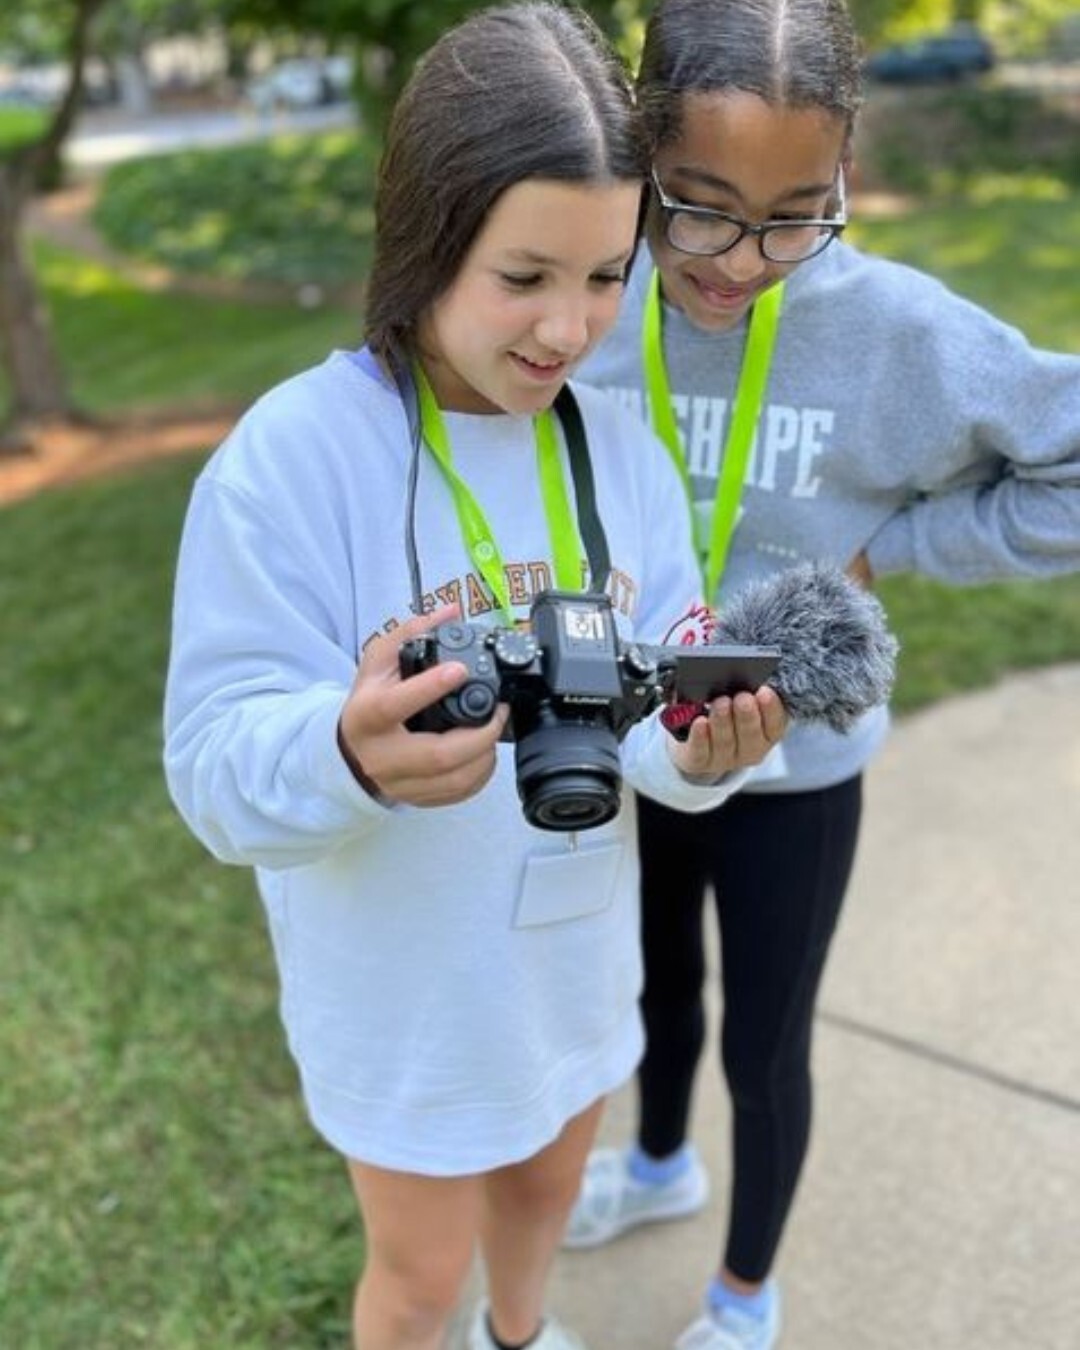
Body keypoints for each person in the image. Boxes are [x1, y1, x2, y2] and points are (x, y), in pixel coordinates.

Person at [162, 6, 788, 1350]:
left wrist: (701, 749)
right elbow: (211, 763)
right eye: (524, 276)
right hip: (405, 994)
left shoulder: (618, 453)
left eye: (607, 274)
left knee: (547, 1194)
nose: (571, 327)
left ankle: (523, 1333)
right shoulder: (294, 461)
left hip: (571, 960)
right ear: (425, 237)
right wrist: (345, 751)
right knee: (416, 1277)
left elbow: (658, 701)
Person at [563, 1, 1080, 1347]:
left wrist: (892, 543)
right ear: (642, 155)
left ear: (844, 166)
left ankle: (745, 1295)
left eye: (797, 218)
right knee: (655, 992)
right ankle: (660, 1165)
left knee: (765, 1041)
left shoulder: (896, 329)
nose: (742, 262)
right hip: (638, 744)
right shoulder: (588, 291)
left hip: (798, 772)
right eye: (701, 209)